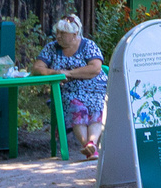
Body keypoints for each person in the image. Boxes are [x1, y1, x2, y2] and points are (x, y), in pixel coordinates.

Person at [39, 15, 109, 160]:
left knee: (97, 107)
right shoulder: (52, 48)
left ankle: (91, 144)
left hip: (96, 88)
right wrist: (56, 73)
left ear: (74, 34)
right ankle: (89, 147)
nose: (58, 36)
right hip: (70, 91)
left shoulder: (88, 45)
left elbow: (95, 68)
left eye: (62, 33)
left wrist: (69, 73)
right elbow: (37, 68)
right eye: (57, 32)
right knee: (78, 109)